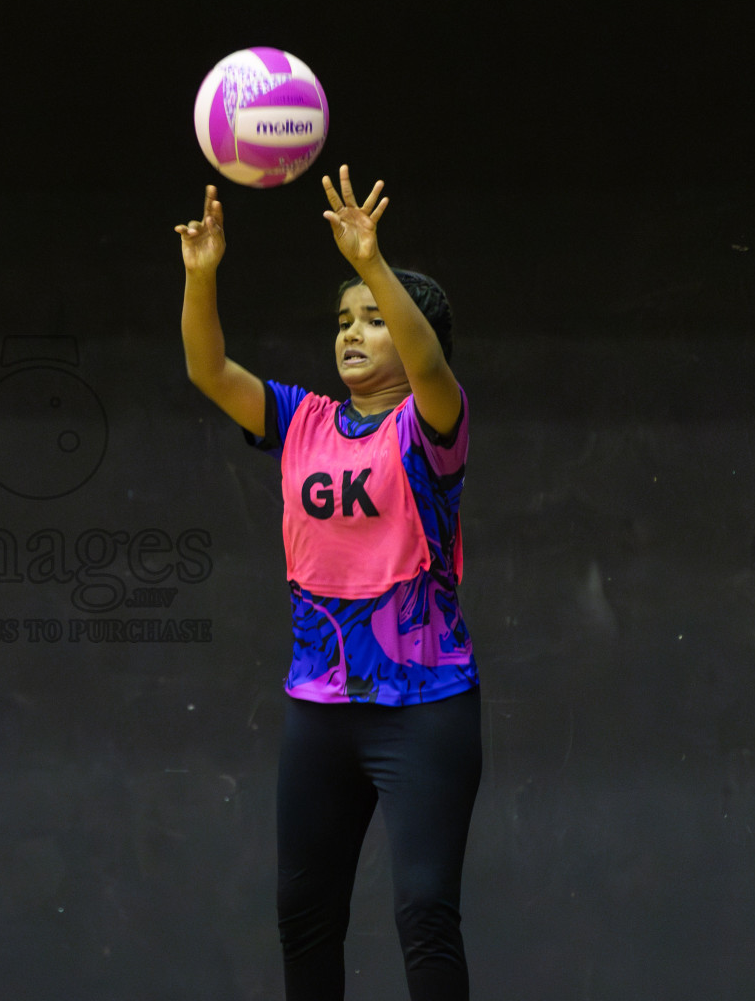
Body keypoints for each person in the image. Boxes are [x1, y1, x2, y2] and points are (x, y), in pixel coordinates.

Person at [175, 166, 481, 1000]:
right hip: (321, 708)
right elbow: (209, 371)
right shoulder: (301, 418)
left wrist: (374, 263)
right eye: (345, 318)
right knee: (305, 915)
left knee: (423, 913)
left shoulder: (432, 423)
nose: (353, 332)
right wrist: (203, 279)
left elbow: (428, 363)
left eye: (376, 322)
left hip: (424, 708)